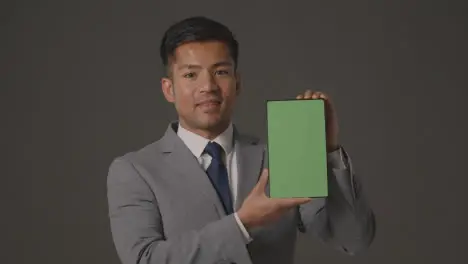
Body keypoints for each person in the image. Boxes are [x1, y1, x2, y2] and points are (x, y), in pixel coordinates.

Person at [107, 16, 376, 264]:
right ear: (169, 88)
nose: (208, 87)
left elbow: (352, 239)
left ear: (238, 82)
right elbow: (144, 259)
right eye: (191, 74)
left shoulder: (278, 158)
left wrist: (328, 151)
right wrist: (241, 224)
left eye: (221, 72)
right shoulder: (135, 171)